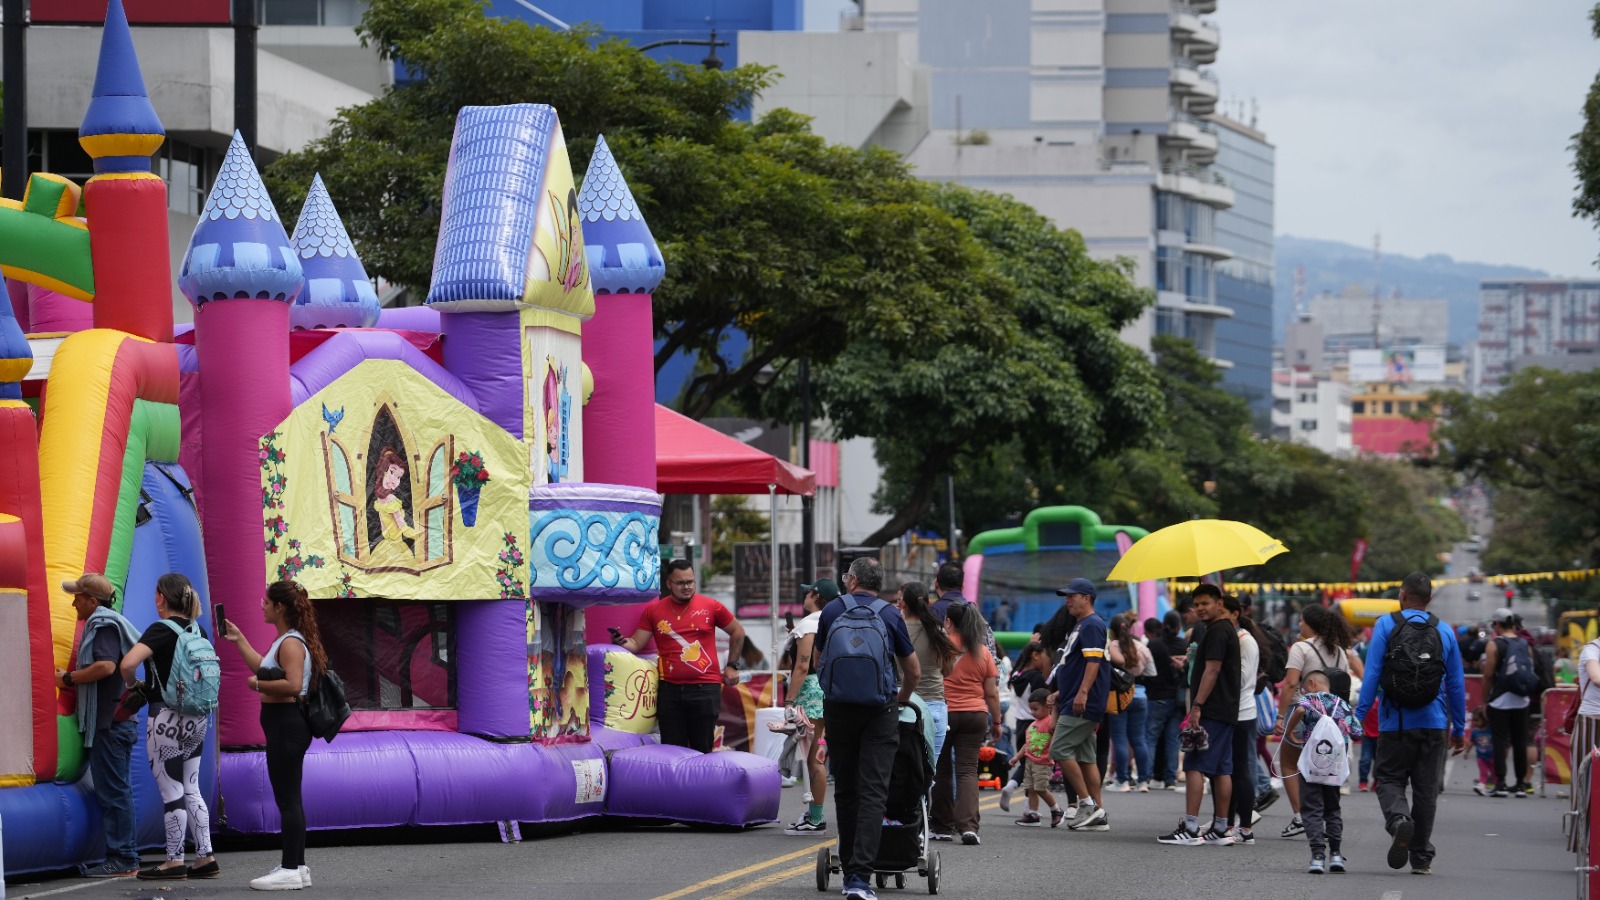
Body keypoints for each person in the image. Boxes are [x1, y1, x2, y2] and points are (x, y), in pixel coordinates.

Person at [815, 557, 920, 900]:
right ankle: (861, 878)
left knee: (846, 789)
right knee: (874, 791)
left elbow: (818, 663)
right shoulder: (890, 614)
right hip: (880, 710)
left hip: (839, 709)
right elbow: (913, 670)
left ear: (853, 580)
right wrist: (900, 699)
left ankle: (849, 874)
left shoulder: (832, 611)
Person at [1353, 572, 1468, 876]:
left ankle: (1399, 820)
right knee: (1426, 791)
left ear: (1402, 595)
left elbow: (1372, 675)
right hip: (1434, 723)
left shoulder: (1385, 625)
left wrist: (1359, 718)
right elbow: (1456, 684)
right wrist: (1459, 729)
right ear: (1429, 600)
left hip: (1395, 722)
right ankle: (1421, 857)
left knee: (1389, 779)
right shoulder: (1444, 630)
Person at [221, 579, 329, 891]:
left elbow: (293, 685)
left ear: (280, 607)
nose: (262, 606)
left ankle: (290, 869)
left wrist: (256, 684)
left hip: (287, 725)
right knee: (290, 798)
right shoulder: (284, 640)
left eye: (267, 602)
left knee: (287, 800)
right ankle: (298, 867)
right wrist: (239, 639)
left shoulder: (291, 643)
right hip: (282, 725)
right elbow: (264, 667)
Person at [118, 573, 219, 880]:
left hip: (165, 716)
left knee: (170, 788)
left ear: (161, 597)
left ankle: (174, 861)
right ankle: (205, 857)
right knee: (191, 786)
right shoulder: (197, 629)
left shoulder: (160, 630)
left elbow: (127, 663)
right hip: (197, 717)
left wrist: (133, 685)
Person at [57, 573, 141, 878]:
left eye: (78, 597)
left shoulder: (103, 625)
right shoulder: (112, 621)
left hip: (109, 723)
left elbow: (106, 666)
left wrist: (69, 678)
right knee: (118, 790)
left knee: (114, 792)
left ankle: (123, 858)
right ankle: (125, 856)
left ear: (93, 601)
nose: (74, 603)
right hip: (118, 722)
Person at [617, 559, 747, 753]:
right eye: (680, 583)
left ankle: (702, 775)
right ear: (669, 583)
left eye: (690, 582)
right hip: (669, 690)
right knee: (671, 750)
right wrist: (621, 641)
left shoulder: (711, 606)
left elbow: (738, 631)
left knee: (702, 750)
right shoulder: (654, 610)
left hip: (705, 688)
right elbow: (636, 643)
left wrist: (732, 665)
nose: (687, 587)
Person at [1158, 584, 1239, 847]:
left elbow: (1212, 670)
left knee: (1193, 763)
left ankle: (1191, 828)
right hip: (1226, 709)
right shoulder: (1224, 630)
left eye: (1206, 603)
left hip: (1212, 708)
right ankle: (1221, 828)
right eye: (1197, 604)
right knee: (1222, 768)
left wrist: (1196, 706)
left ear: (1219, 604)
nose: (1200, 608)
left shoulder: (1217, 632)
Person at [1273, 603, 1360, 837]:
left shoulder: (1301, 647)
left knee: (1289, 764)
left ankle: (1301, 817)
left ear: (1310, 624)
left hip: (1303, 711)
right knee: (1323, 764)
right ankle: (1326, 816)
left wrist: (1280, 716)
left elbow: (1291, 683)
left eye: (1302, 620)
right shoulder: (1340, 651)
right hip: (1331, 717)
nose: (1299, 624)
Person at [931, 602, 1001, 845]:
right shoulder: (982, 652)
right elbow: (991, 693)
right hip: (975, 715)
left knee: (941, 770)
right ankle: (969, 827)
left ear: (948, 622)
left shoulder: (940, 647)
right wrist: (997, 721)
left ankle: (942, 826)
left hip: (944, 713)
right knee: (968, 770)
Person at [1046, 578, 1112, 832]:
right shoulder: (1084, 624)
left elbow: (1094, 662)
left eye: (1072, 596)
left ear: (1087, 598)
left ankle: (1087, 804)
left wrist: (1082, 693)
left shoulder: (1092, 624)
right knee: (1086, 758)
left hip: (1081, 702)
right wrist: (1062, 692)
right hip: (1075, 698)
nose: (1067, 600)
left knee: (1059, 749)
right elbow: (1077, 665)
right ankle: (1098, 812)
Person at [1285, 671, 1359, 874]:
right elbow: (1357, 733)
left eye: (1304, 689)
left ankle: (1318, 856)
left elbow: (1300, 709)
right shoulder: (1342, 704)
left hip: (1312, 766)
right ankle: (1336, 854)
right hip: (1334, 768)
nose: (1304, 693)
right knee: (1332, 809)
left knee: (1311, 809)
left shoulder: (1310, 699)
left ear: (1311, 683)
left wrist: (1289, 729)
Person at [784, 578, 839, 834]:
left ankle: (816, 818)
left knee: (814, 757)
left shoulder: (809, 625)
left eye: (808, 593)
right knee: (822, 753)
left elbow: (802, 666)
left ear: (816, 596)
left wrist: (789, 700)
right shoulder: (835, 621)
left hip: (811, 692)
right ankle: (816, 815)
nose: (804, 596)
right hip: (834, 688)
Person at [899, 581, 957, 796]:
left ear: (903, 604)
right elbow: (947, 671)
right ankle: (923, 813)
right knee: (928, 775)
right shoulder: (938, 631)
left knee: (900, 771)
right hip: (934, 706)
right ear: (928, 602)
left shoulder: (896, 629)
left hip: (903, 706)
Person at [1479, 607, 1534, 797]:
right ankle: (1520, 784)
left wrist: (1484, 700)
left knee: (1500, 741)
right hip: (1522, 700)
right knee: (1520, 741)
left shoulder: (1494, 644)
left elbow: (1488, 675)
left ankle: (1500, 783)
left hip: (1500, 700)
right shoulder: (1525, 644)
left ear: (1497, 624)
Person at [1225, 594, 1261, 843]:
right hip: (1230, 711)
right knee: (1228, 769)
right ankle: (1226, 823)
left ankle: (1245, 827)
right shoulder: (1232, 638)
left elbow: (1242, 678)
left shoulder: (1245, 641)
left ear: (1235, 614)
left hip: (1241, 712)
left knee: (1239, 769)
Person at [998, 642, 1051, 810]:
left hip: (1020, 723)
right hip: (1036, 724)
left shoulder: (1018, 673)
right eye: (1044, 656)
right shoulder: (1037, 677)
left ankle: (1012, 786)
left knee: (1025, 763)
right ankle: (1028, 804)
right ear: (1035, 655)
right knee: (1033, 766)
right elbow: (1043, 700)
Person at [1107, 614, 1154, 792]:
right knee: (1139, 739)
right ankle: (1143, 781)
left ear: (1112, 631)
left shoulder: (1111, 646)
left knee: (1119, 739)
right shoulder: (1141, 647)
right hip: (1140, 695)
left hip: (1119, 696)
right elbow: (1151, 672)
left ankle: (1122, 780)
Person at [1009, 689, 1064, 827]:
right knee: (1030, 788)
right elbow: (1027, 744)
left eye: (1035, 709)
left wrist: (1054, 709)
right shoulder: (1033, 725)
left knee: (1040, 788)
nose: (1032, 712)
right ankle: (1033, 814)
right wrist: (1017, 757)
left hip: (1043, 762)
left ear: (1047, 707)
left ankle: (1056, 810)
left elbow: (1055, 730)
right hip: (1030, 761)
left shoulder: (1050, 722)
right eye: (1031, 709)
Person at [1567, 621, 1600, 852]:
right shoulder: (1592, 650)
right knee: (1585, 785)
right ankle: (1585, 845)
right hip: (1591, 722)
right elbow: (1596, 677)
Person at [1145, 611, 1186, 791]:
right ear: (1178, 627)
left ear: (1163, 625)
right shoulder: (1183, 645)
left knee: (1150, 738)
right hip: (1176, 698)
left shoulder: (1153, 644)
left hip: (1156, 697)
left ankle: (1146, 776)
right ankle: (1170, 778)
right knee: (1172, 740)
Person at [1469, 706, 1495, 795]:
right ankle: (1481, 787)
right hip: (1481, 757)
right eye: (1473, 720)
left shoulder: (1490, 729)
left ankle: (1497, 787)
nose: (1475, 722)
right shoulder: (1474, 731)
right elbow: (1471, 742)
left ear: (1484, 719)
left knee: (1494, 773)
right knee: (1483, 773)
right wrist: (1467, 752)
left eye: (1477, 720)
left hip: (1492, 757)